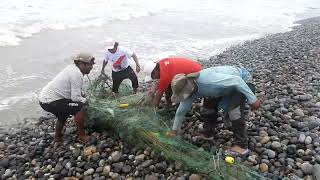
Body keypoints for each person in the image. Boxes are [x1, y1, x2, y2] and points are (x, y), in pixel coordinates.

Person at [166, 66, 261, 155]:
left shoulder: (208, 81)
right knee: (207, 107)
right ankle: (208, 134)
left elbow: (237, 81)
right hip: (225, 88)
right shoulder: (191, 91)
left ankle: (242, 146)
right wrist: (174, 131)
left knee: (234, 112)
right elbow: (181, 111)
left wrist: (253, 99)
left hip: (243, 80)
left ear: (190, 86)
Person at [39, 52, 95, 143]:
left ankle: (57, 137)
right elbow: (76, 98)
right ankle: (81, 135)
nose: (92, 67)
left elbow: (74, 90)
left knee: (63, 113)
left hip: (44, 99)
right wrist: (87, 100)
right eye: (90, 65)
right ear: (81, 64)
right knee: (80, 107)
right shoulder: (77, 74)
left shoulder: (72, 69)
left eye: (92, 64)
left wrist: (82, 95)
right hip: (51, 101)